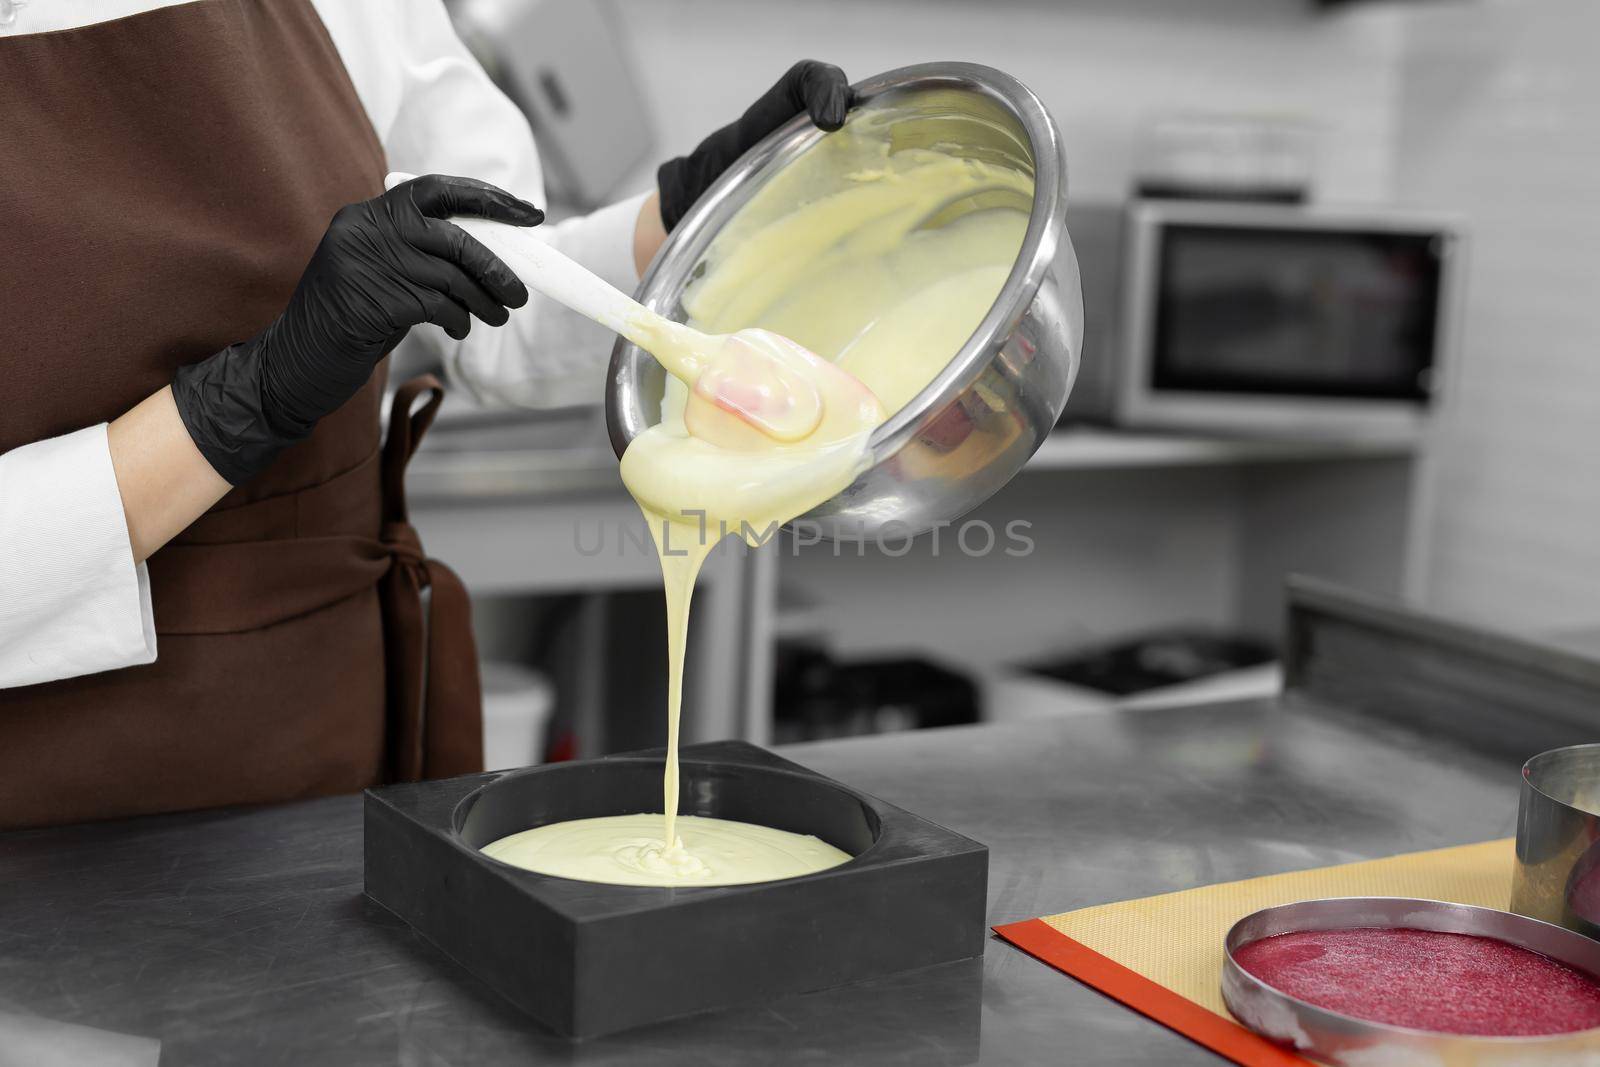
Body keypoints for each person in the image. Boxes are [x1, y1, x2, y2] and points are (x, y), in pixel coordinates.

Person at [0, 0, 851, 829]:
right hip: (40, 797)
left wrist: (695, 213)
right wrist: (246, 401)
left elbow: (500, 287)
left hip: (319, 728)